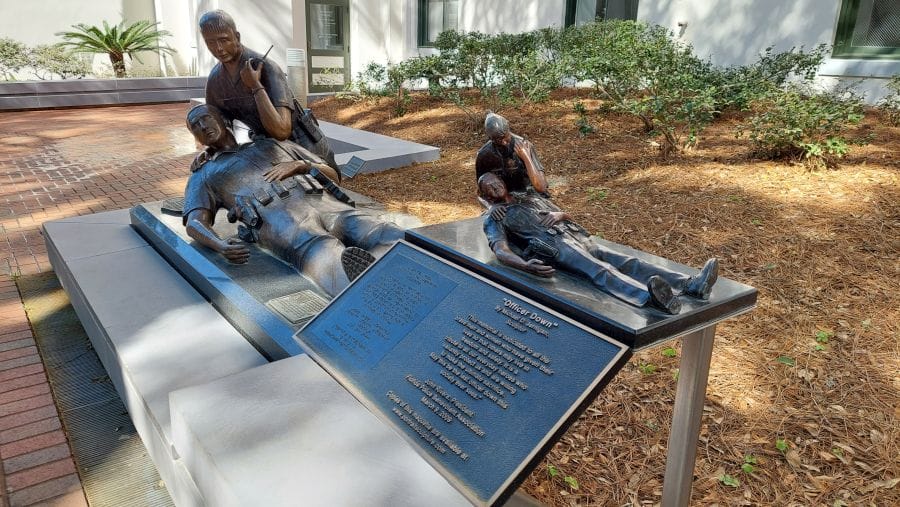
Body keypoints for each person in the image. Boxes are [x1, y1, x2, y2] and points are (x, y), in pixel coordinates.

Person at [182, 104, 417, 296]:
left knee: (386, 233)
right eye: (195, 126)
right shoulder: (203, 175)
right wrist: (220, 245)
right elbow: (195, 222)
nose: (203, 126)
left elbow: (333, 175)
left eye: (206, 118)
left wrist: (301, 165)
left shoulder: (272, 144)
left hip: (327, 205)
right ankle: (362, 292)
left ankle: (404, 272)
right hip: (284, 224)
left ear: (223, 119)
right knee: (325, 256)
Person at [478, 173, 718, 314]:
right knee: (600, 269)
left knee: (628, 261)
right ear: (486, 195)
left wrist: (560, 215)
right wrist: (524, 265)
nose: (495, 186)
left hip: (574, 235)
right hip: (555, 246)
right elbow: (500, 249)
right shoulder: (495, 217)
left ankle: (691, 285)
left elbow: (566, 214)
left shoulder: (529, 197)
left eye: (496, 181)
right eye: (489, 187)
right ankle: (651, 297)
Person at [198, 9, 337, 170]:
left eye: (224, 40)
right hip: (267, 148)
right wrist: (212, 149)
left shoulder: (267, 68)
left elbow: (281, 131)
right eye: (210, 43)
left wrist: (256, 86)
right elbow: (221, 128)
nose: (219, 48)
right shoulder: (215, 81)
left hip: (304, 144)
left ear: (237, 37)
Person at [475, 112, 548, 212]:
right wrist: (491, 207)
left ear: (508, 130)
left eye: (505, 137)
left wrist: (526, 157)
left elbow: (541, 187)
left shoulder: (524, 146)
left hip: (531, 197)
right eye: (498, 140)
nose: (504, 142)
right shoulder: (484, 155)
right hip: (503, 202)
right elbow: (481, 193)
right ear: (490, 138)